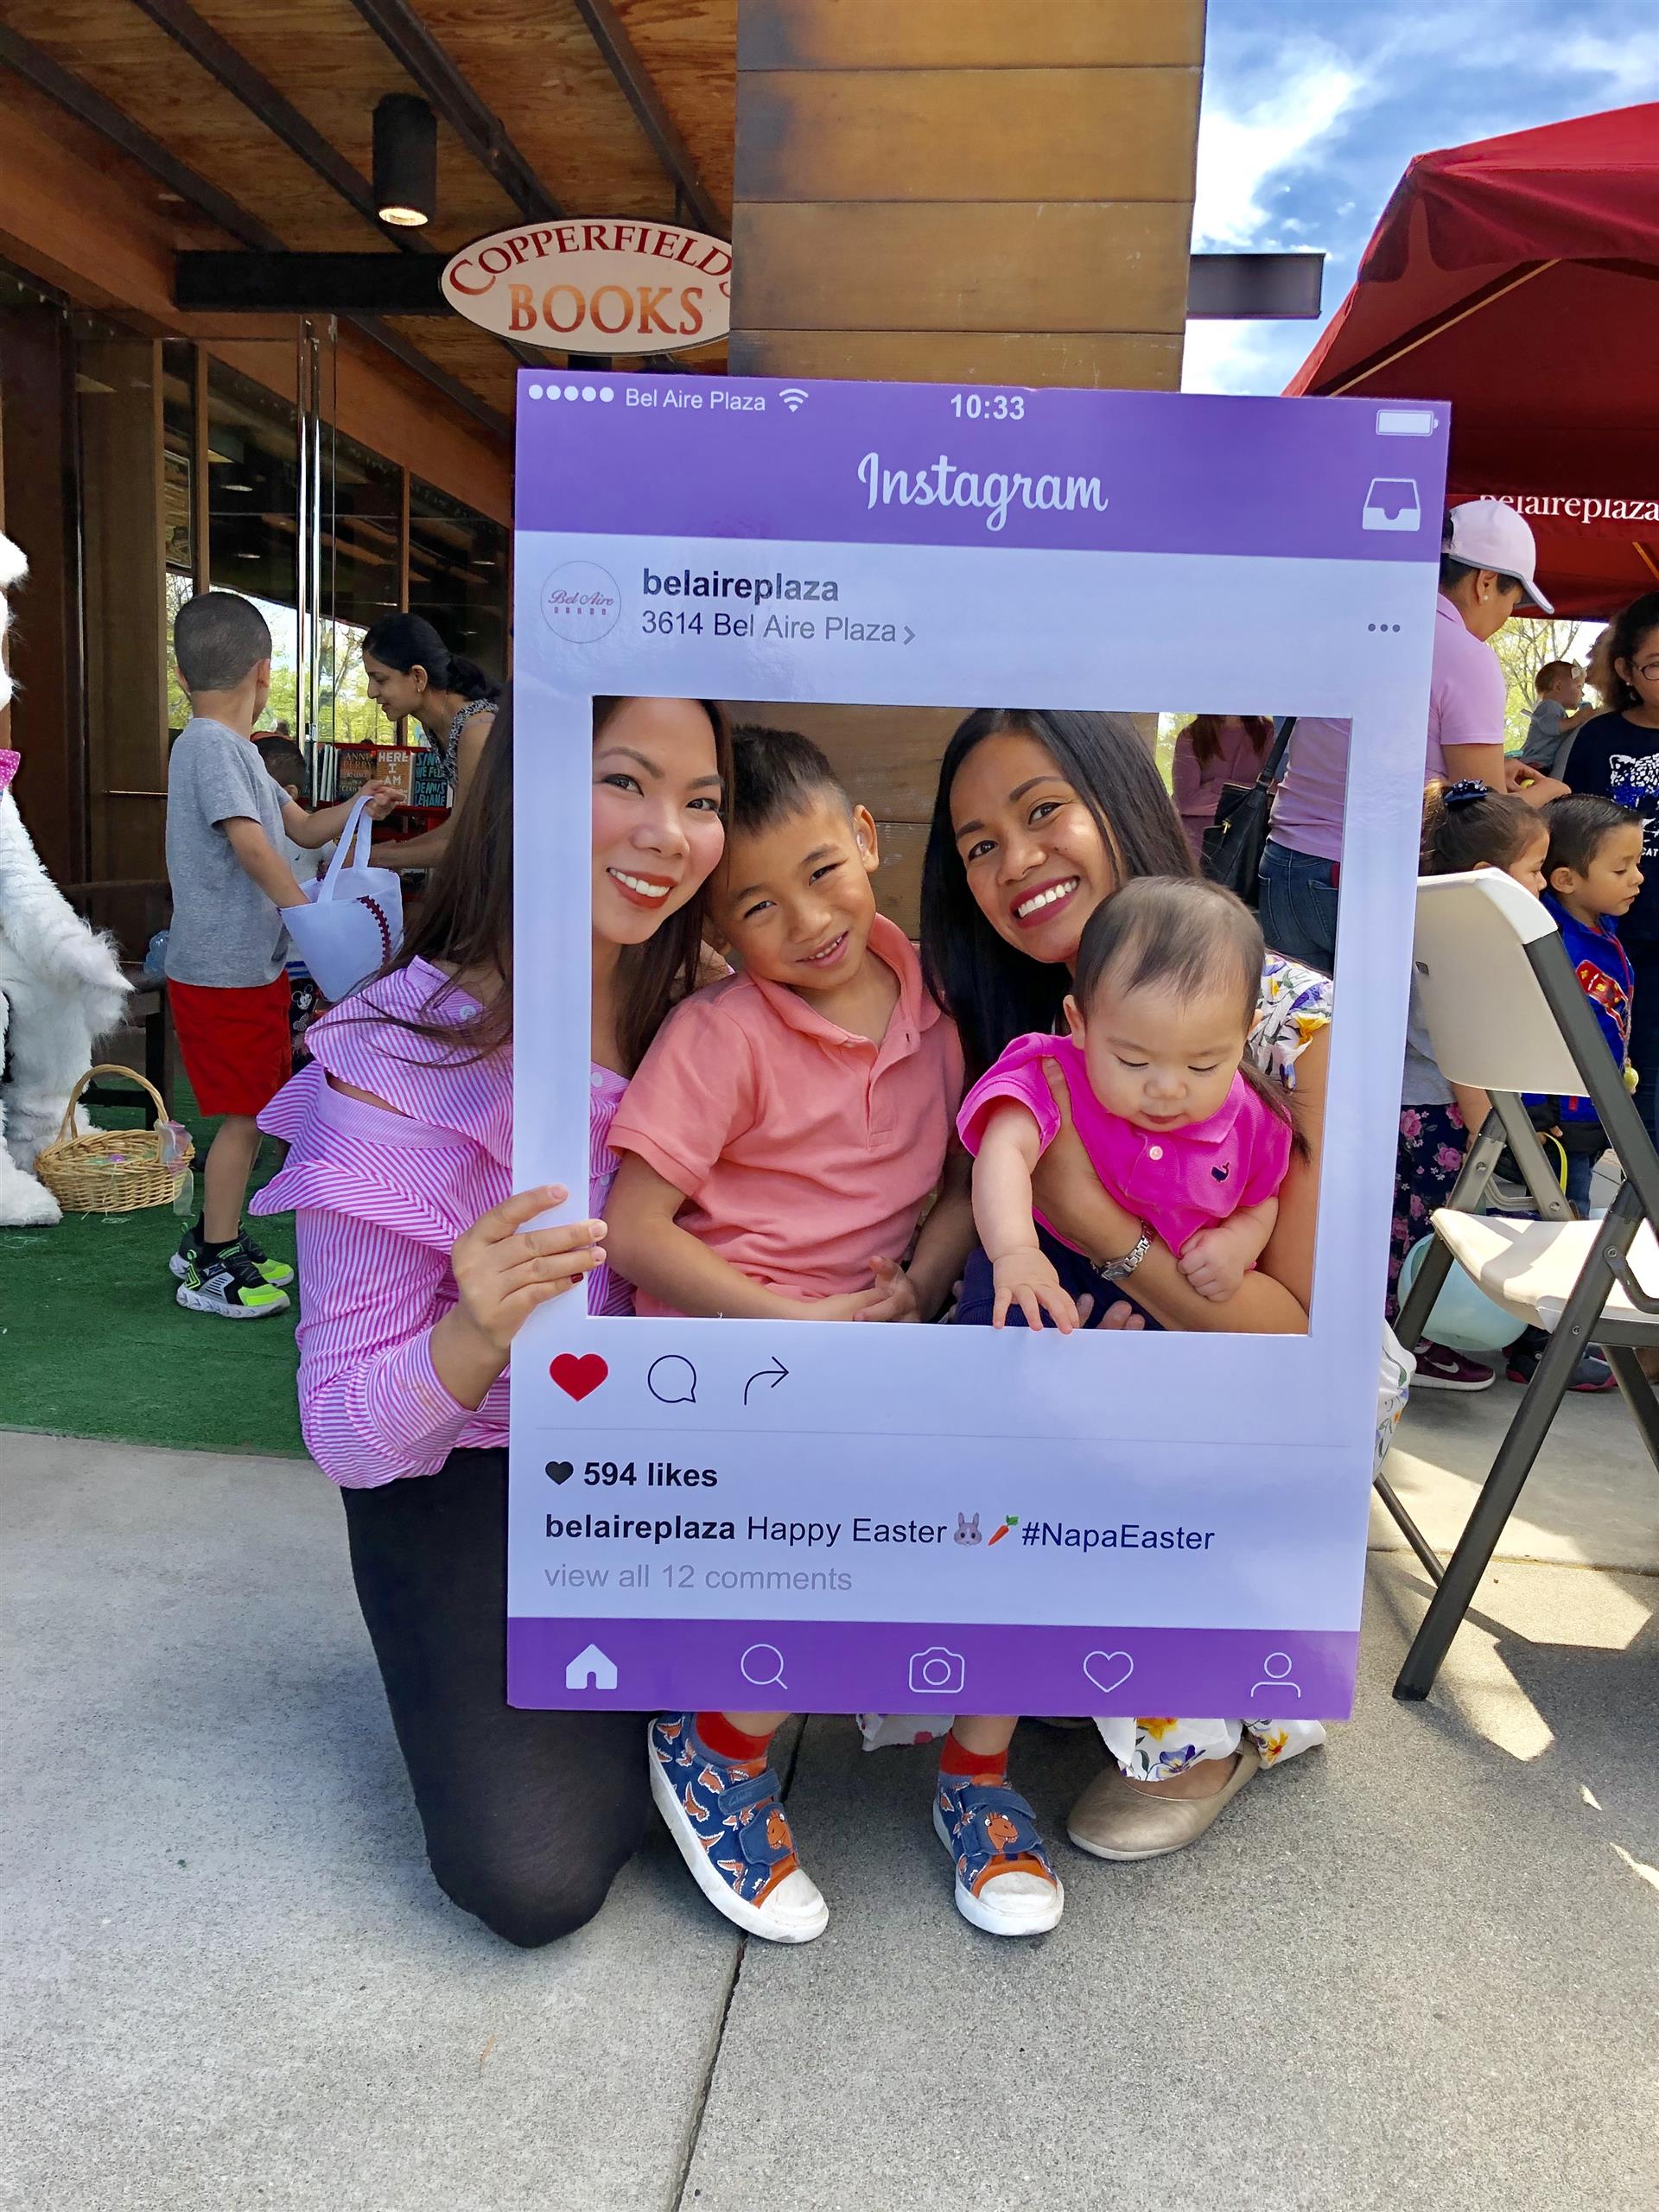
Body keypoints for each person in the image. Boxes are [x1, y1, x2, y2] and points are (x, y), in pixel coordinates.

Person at [247, 691, 730, 1948]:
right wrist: (473, 1333)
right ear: (525, 795)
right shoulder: (396, 1057)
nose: (668, 833)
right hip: (470, 1472)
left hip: (679, 1459)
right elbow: (346, 1435)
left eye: (704, 800)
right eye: (624, 781)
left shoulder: (718, 1016)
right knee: (534, 1872)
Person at [607, 730, 1060, 1943]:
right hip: (725, 1360)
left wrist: (918, 1284)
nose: (806, 921)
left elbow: (969, 1184)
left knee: (1018, 1499)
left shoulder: (941, 1016)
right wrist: (797, 1328)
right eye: (756, 905)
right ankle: (715, 1747)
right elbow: (635, 1231)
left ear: (865, 840)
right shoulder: (721, 1034)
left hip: (873, 1345)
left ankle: (975, 1780)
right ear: (716, 929)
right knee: (845, 1515)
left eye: (822, 871)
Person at [921, 709, 1328, 1861]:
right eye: (979, 844)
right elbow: (984, 1181)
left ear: (1120, 798)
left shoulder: (1292, 1021)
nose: (1015, 861)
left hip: (1242, 1373)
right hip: (1084, 1339)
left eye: (1044, 810)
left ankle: (1206, 1726)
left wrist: (1104, 1233)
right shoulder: (1029, 1016)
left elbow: (1292, 1333)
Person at [164, 592, 395, 1319]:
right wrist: (307, 913)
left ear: (181, 672)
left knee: (256, 1106)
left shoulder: (237, 753)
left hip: (248, 964)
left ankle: (211, 1238)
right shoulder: (207, 745)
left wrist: (360, 809)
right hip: (222, 969)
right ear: (265, 673)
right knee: (244, 1115)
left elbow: (296, 823)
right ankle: (212, 1260)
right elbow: (252, 843)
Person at [959, 878, 1294, 1331]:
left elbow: (1261, 1197)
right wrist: (1015, 1250)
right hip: (1047, 1266)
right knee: (998, 1355)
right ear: (1080, 1022)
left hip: (1166, 1297)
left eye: (1203, 1066)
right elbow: (1004, 1150)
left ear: (1243, 1036)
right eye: (1133, 1061)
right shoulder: (1055, 1074)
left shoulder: (1255, 1120)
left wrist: (1237, 1243)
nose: (1166, 1089)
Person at [1259, 499, 1567, 974]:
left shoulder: (1349, 628)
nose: (1508, 613)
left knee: (1296, 1039)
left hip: (1283, 866)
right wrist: (1547, 794)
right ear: (1486, 582)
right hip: (1373, 881)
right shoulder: (1465, 654)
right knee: (1399, 1047)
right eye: (1514, 599)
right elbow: (1479, 811)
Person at [1394, 781, 1552, 1390]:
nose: (1541, 883)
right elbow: (1462, 1059)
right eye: (1535, 870)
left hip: (1413, 1106)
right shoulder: (1461, 944)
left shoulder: (1422, 919)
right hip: (1439, 1112)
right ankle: (1418, 1337)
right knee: (1436, 1227)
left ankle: (1407, 1330)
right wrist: (1499, 1130)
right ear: (1489, 874)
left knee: (1407, 1224)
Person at [1561, 594, 1659, 1144]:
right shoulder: (1598, 738)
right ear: (1626, 669)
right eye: (1657, 664)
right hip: (1611, 938)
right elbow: (1571, 834)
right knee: (1624, 1064)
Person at [1523, 794, 1643, 1217]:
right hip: (1561, 1120)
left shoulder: (1600, 927)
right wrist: (1533, 1106)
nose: (1638, 878)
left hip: (1595, 1108)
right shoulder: (1554, 944)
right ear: (1565, 879)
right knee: (1565, 1218)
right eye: (1621, 868)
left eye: (1637, 864)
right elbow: (1531, 1023)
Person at [361, 613, 499, 874]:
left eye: (380, 679)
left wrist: (376, 858)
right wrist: (387, 852)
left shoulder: (477, 729)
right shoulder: (439, 724)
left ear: (418, 677)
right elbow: (457, 828)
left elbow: (470, 843)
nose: (371, 692)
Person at [1170, 714, 1273, 865]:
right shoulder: (1192, 735)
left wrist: (1216, 786)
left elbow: (1276, 791)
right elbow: (1186, 801)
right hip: (1198, 850)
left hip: (1250, 849)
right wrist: (1252, 793)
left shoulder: (1268, 733)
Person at [1520, 659, 1599, 778]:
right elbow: (1551, 726)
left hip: (1542, 766)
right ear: (1558, 686)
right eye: (1579, 687)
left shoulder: (1557, 711)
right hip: (1534, 765)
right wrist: (1577, 719)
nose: (1582, 694)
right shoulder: (1548, 706)